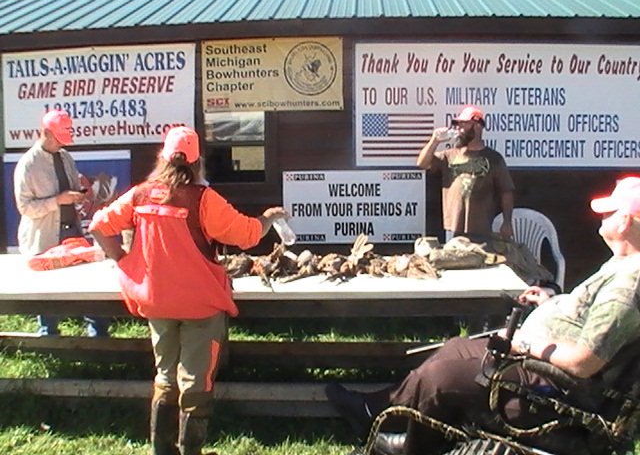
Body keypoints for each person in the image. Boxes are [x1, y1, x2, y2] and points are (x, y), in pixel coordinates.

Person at [326, 176, 640, 455]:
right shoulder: (621, 264)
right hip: (544, 366)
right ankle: (376, 411)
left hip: (556, 391)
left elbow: (584, 361)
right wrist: (552, 303)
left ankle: (409, 445)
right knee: (454, 348)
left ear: (625, 221)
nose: (602, 215)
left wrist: (523, 343)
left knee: (442, 378)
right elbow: (587, 314)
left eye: (610, 211)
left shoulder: (628, 284)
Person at [89, 125, 289, 455]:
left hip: (156, 303)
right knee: (196, 383)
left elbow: (99, 225)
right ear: (198, 162)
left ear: (164, 157)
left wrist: (124, 262)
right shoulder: (204, 200)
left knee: (165, 376)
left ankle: (161, 450)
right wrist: (268, 217)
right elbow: (249, 234)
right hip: (200, 304)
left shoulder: (140, 194)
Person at [13, 109, 110, 337]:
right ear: (45, 132)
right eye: (58, 138)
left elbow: (72, 187)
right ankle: (48, 339)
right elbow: (25, 208)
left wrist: (79, 194)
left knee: (89, 284)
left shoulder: (66, 157)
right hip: (44, 237)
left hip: (72, 232)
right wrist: (58, 200)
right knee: (48, 293)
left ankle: (99, 336)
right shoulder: (27, 164)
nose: (61, 143)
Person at [416, 105, 514, 243]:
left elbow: (506, 191)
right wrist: (435, 141)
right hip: (452, 227)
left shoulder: (494, 158)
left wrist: (507, 222)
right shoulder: (449, 155)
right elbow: (422, 164)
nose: (458, 129)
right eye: (458, 124)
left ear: (477, 126)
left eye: (464, 124)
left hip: (481, 228)